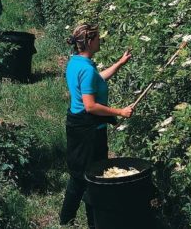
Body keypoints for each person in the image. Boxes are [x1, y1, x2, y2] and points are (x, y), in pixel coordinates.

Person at [59, 24, 133, 228]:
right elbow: (91, 106)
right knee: (90, 178)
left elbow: (96, 80)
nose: (100, 41)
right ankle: (89, 223)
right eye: (98, 38)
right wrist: (120, 112)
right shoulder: (86, 68)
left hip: (77, 125)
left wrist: (119, 63)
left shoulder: (76, 63)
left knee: (80, 175)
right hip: (88, 131)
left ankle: (67, 220)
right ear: (90, 42)